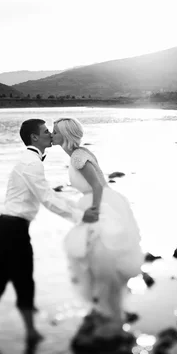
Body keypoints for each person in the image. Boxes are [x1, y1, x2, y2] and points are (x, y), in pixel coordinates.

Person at [0, 119, 99, 343]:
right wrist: (79, 215)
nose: (50, 134)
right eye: (46, 131)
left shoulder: (30, 159)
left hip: (9, 225)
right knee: (23, 279)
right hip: (13, 228)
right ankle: (30, 333)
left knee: (2, 275)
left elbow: (47, 194)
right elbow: (47, 198)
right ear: (35, 138)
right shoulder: (31, 163)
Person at [51, 117, 144, 338]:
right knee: (94, 262)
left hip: (100, 206)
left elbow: (97, 185)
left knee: (101, 263)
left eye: (55, 131)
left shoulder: (77, 157)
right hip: (103, 202)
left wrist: (93, 212)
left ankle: (109, 316)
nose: (51, 135)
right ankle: (107, 312)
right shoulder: (79, 153)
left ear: (65, 134)